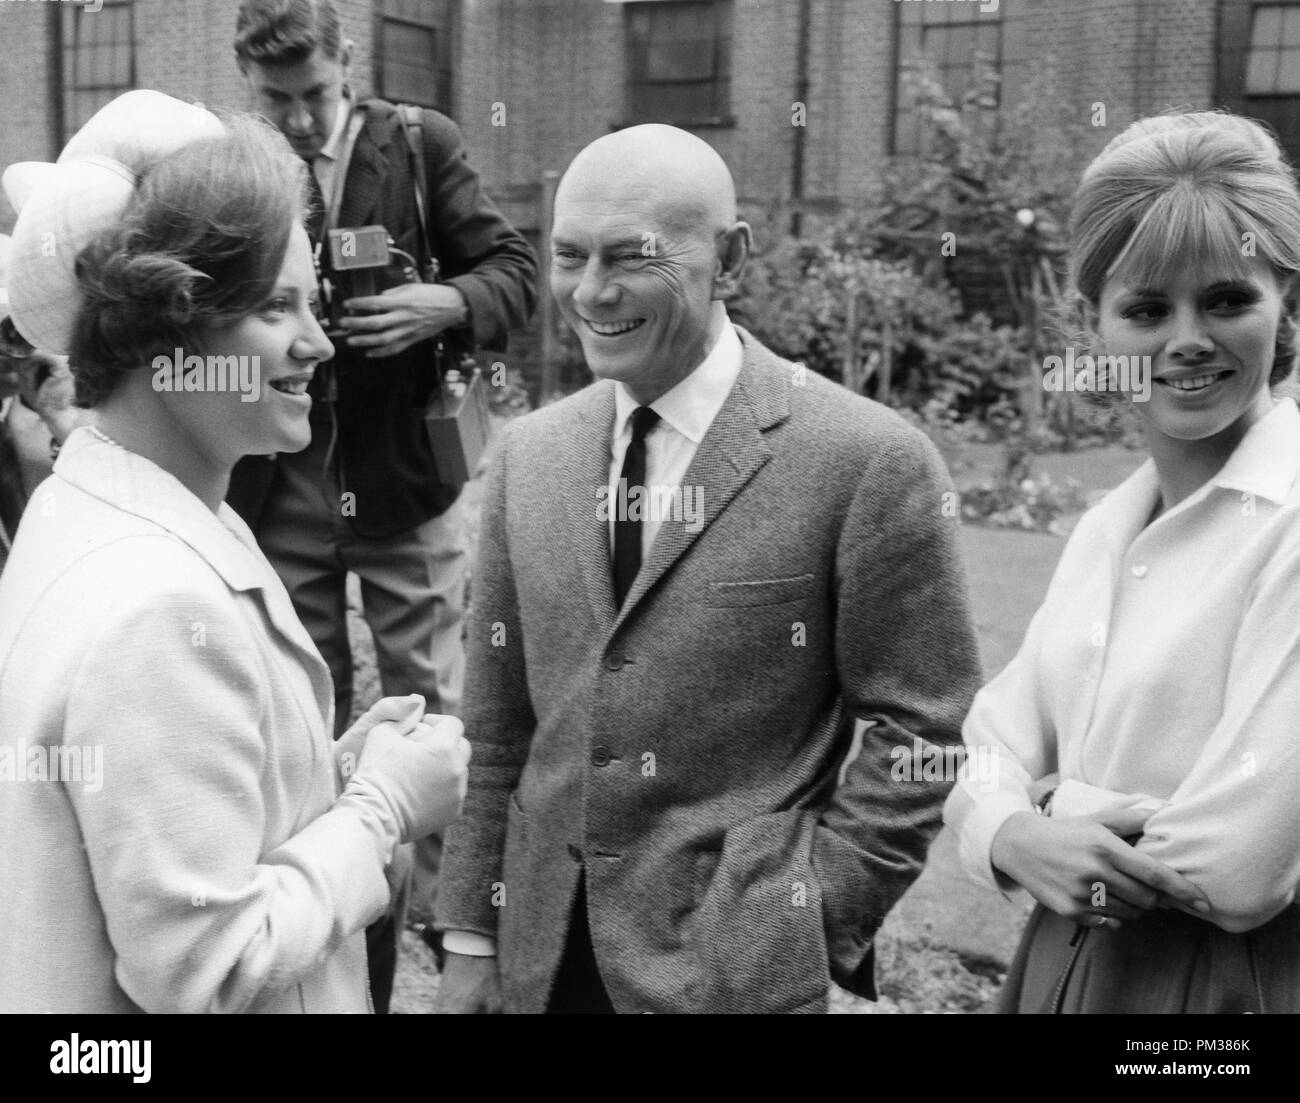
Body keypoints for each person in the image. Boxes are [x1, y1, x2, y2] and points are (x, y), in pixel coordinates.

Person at [432, 124, 982, 1014]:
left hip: (737, 978)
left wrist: (798, 919)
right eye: (569, 256)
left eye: (632, 257)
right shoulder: (527, 456)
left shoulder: (867, 459)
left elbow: (921, 731)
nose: (594, 291)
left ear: (728, 260)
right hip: (540, 961)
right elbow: (496, 725)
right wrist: (470, 936)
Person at [0, 90, 470, 1014]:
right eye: (276, 309)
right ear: (168, 328)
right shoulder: (156, 606)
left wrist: (331, 776)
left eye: (316, 302)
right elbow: (206, 965)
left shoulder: (93, 507)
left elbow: (166, 829)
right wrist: (379, 814)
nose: (318, 342)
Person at [944, 110, 1300, 1014]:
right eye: (1147, 308)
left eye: (1227, 299)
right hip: (1062, 965)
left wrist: (1048, 814)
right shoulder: (1111, 521)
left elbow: (1241, 858)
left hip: (1228, 988)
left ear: (1286, 306)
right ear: (1093, 326)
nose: (1187, 338)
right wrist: (1009, 826)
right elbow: (990, 742)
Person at [227, 0, 537, 1009]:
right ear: (248, 86)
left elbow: (516, 275)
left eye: (314, 95)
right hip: (282, 488)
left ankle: (461, 957)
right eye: (277, 101)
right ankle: (337, 961)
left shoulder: (419, 144)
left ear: (345, 63)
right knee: (299, 726)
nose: (302, 121)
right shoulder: (241, 167)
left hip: (403, 479)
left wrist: (442, 303)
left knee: (433, 718)